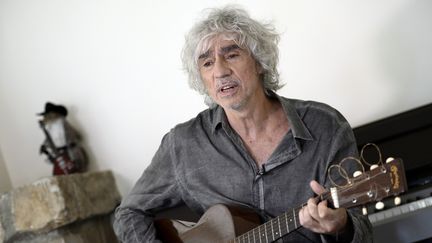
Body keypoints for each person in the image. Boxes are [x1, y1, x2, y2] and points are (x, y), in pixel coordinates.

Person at [114, 5, 372, 242]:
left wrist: (342, 225)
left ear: (259, 62)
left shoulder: (326, 127)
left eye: (232, 55)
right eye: (207, 63)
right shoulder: (183, 145)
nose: (220, 71)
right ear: (201, 78)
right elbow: (128, 214)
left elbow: (363, 232)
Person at [38, 102, 88, 175]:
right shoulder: (49, 126)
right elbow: (50, 139)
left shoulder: (61, 122)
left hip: (69, 151)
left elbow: (74, 135)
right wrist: (44, 145)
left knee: (74, 170)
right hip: (60, 154)